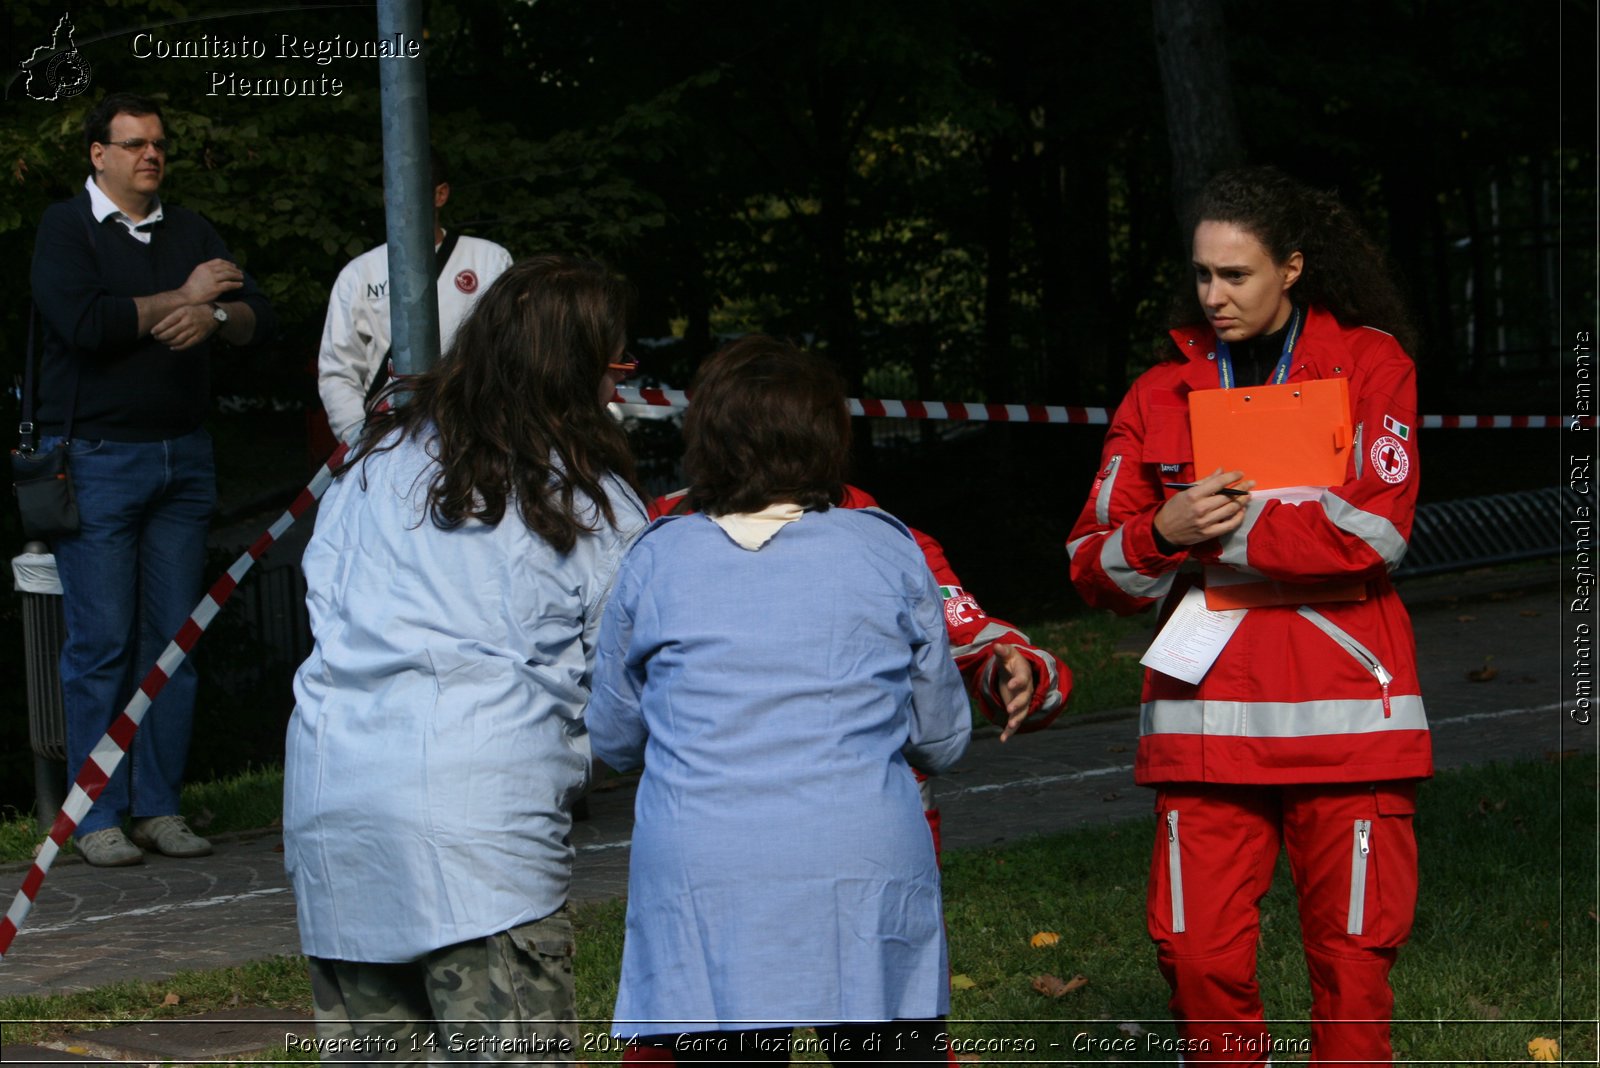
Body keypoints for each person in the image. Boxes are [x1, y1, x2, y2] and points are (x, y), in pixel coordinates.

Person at [1066, 166, 1427, 1065]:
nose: (1214, 296)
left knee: (1352, 964)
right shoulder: (1159, 393)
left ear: (1293, 268)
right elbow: (1091, 564)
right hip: (1204, 719)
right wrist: (1160, 530)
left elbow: (1373, 535)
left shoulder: (1372, 364)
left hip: (1349, 715)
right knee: (1194, 956)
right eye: (1201, 275)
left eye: (1237, 275)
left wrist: (1209, 533)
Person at [283, 255, 647, 1061]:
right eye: (613, 363)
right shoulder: (589, 495)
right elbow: (625, 687)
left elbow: (327, 612)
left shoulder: (372, 465)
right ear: (576, 367)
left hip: (337, 818)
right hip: (485, 845)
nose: (620, 384)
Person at [588, 336, 972, 1062]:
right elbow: (944, 740)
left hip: (706, 883)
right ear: (829, 438)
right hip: (864, 873)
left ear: (704, 437)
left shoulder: (655, 556)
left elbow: (612, 738)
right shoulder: (889, 548)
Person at [29, 91, 274, 867]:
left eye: (158, 143)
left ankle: (158, 808)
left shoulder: (191, 231)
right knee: (101, 642)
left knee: (172, 645)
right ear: (97, 155)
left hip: (184, 456)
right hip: (99, 460)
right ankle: (93, 812)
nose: (151, 155)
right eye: (133, 144)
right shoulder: (66, 230)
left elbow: (256, 315)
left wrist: (217, 320)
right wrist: (187, 295)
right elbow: (88, 325)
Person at [314, 147, 513, 445]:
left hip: (474, 437)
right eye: (390, 190)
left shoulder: (488, 260)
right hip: (388, 438)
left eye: (409, 190)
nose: (398, 201)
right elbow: (338, 371)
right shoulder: (359, 274)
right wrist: (361, 440)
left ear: (440, 194)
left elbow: (513, 353)